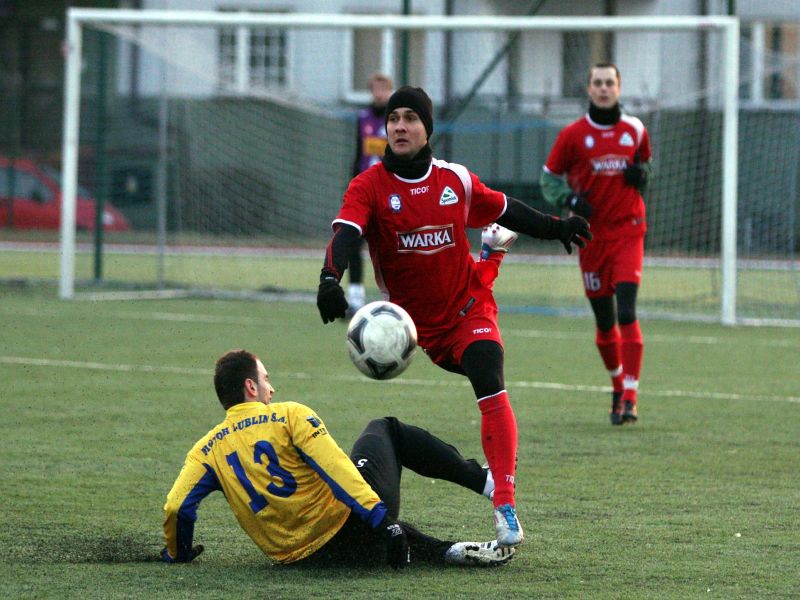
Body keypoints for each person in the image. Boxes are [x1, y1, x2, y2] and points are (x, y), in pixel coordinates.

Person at [315, 86, 592, 548]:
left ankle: (503, 499)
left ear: (427, 129)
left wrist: (556, 226)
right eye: (393, 119)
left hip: (469, 311)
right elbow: (347, 233)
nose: (399, 126)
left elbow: (505, 207)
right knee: (472, 359)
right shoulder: (369, 186)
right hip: (418, 330)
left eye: (410, 118)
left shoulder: (455, 181)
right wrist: (329, 277)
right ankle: (492, 254)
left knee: (488, 374)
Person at [161, 349, 515, 569]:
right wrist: (382, 519)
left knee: (360, 523)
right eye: (267, 379)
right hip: (355, 531)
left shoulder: (206, 449)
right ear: (250, 388)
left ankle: (448, 551)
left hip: (301, 560)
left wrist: (178, 553)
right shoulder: (288, 414)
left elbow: (177, 507)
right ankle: (485, 481)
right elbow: (337, 470)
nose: (273, 388)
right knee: (386, 427)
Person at [540, 62, 653, 425]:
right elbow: (548, 179)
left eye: (610, 83)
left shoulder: (635, 129)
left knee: (626, 312)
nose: (604, 88)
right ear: (589, 89)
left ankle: (632, 396)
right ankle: (618, 385)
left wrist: (643, 175)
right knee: (605, 323)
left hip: (628, 230)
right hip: (591, 236)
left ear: (619, 88)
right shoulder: (573, 135)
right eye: (598, 83)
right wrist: (570, 202)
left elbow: (647, 168)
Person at [347, 72, 395, 316]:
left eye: (383, 89)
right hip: (366, 192)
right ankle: (355, 298)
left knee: (393, 247)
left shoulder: (396, 119)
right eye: (375, 89)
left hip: (390, 194)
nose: (379, 94)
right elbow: (358, 155)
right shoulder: (363, 118)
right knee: (353, 242)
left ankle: (396, 299)